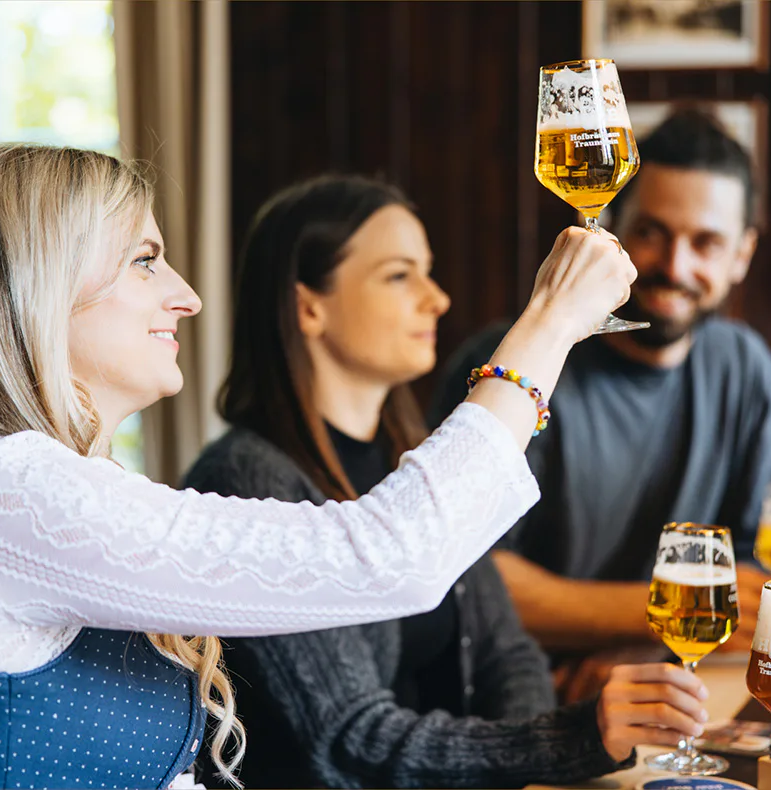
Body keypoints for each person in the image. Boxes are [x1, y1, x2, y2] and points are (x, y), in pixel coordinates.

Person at [0, 144, 635, 789]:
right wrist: (549, 327)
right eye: (144, 259)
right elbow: (393, 555)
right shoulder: (6, 492)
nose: (187, 295)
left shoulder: (17, 487)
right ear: (37, 287)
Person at [182, 175, 711, 788]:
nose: (437, 299)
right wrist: (572, 737)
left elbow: (508, 654)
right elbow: (351, 741)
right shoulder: (246, 479)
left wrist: (537, 757)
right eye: (400, 275)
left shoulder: (416, 453)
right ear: (308, 306)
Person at [432, 108, 771, 699]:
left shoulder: (745, 369)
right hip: (515, 701)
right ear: (613, 228)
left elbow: (767, 581)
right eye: (653, 231)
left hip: (673, 684)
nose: (676, 265)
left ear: (742, 254)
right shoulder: (515, 363)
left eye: (706, 242)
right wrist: (668, 614)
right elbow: (469, 577)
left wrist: (652, 646)